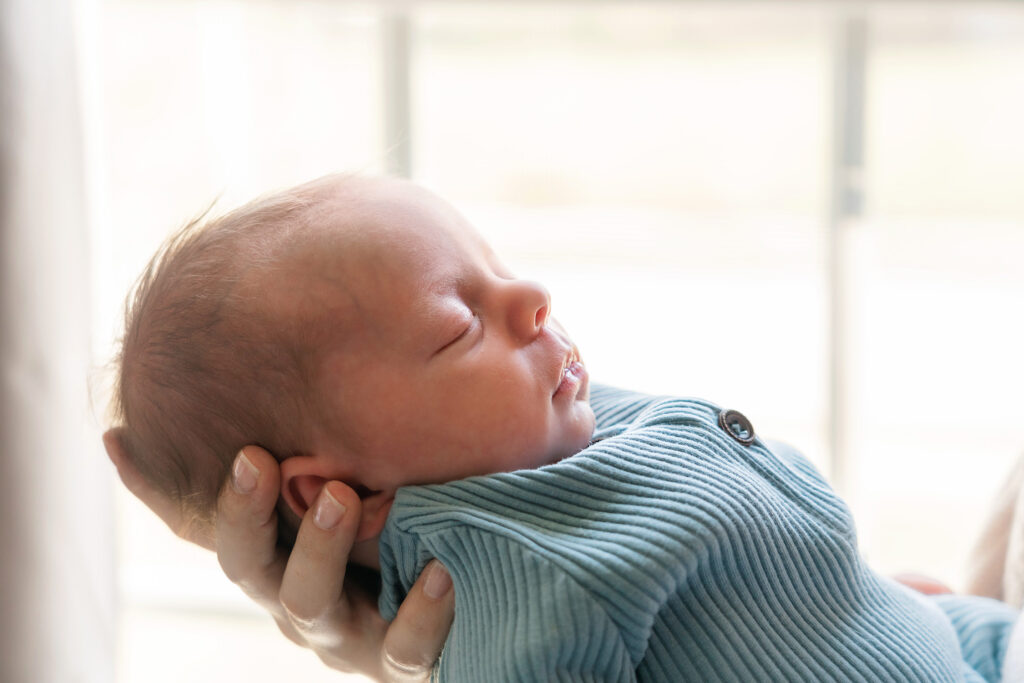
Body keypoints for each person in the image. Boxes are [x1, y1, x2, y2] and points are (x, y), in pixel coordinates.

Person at [104, 174, 1019, 681]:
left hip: (957, 638)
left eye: (497, 268)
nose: (533, 300)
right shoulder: (522, 571)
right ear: (346, 492)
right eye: (458, 324)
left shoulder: (545, 428)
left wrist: (850, 602)